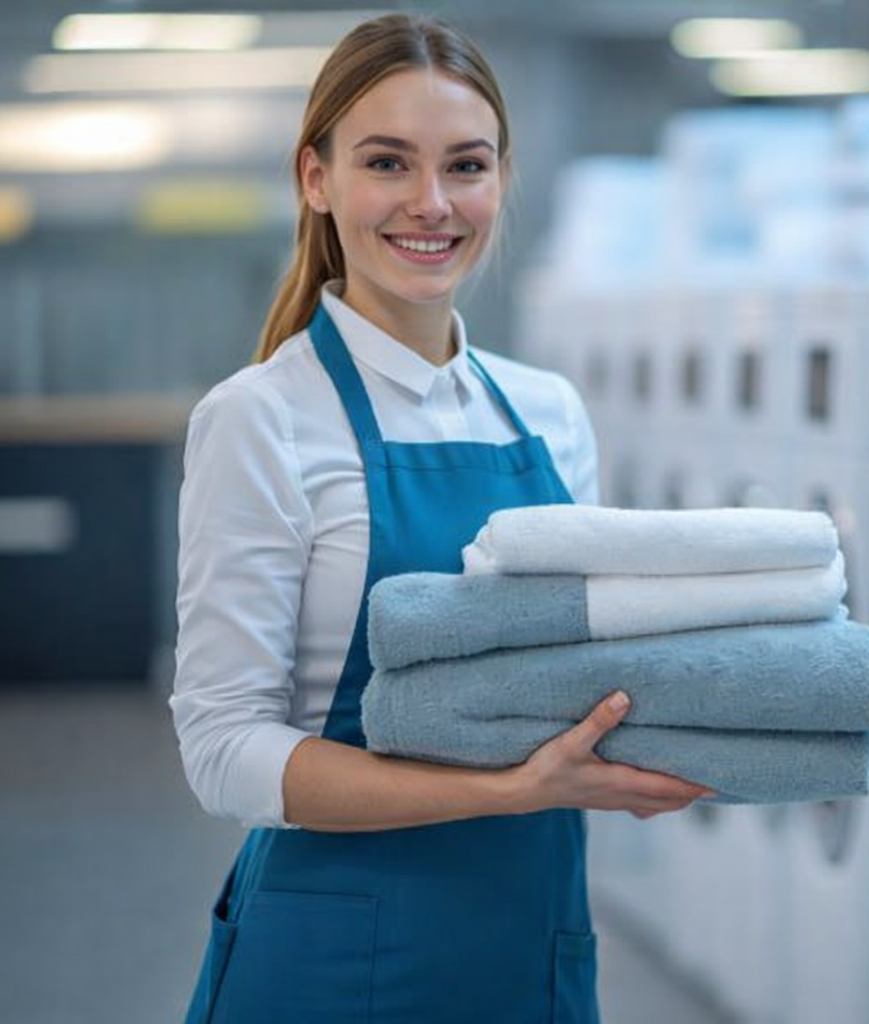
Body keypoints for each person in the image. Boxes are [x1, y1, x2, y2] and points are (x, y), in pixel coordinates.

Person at [171, 13, 710, 1024]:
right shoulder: (262, 419)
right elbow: (223, 748)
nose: (431, 203)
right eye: (387, 162)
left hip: (533, 935)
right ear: (316, 178)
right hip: (336, 957)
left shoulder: (548, 411)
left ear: (502, 179)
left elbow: (576, 667)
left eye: (465, 165)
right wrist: (507, 787)